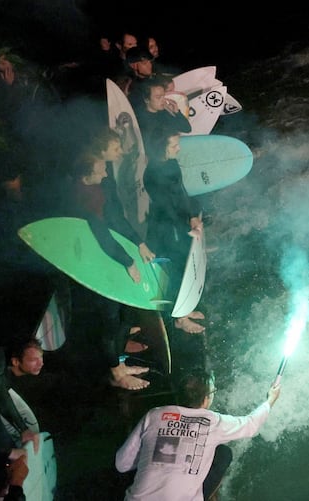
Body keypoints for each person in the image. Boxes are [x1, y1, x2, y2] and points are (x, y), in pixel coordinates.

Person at [115, 370, 281, 501]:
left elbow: (122, 464)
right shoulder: (213, 422)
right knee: (223, 453)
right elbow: (250, 424)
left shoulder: (154, 415)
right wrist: (269, 401)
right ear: (207, 398)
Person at [69, 151, 153, 390]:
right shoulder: (82, 200)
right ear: (85, 178)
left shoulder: (97, 189)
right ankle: (115, 373)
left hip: (110, 256)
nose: (106, 173)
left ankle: (119, 363)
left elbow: (115, 219)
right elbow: (102, 236)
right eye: (100, 170)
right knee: (109, 319)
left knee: (122, 316)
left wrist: (138, 242)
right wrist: (128, 261)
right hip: (94, 262)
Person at [143, 129, 204, 334]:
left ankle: (185, 309)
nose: (179, 148)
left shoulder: (171, 163)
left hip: (179, 221)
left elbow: (181, 192)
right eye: (174, 145)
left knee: (185, 264)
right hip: (166, 227)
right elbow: (168, 207)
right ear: (161, 147)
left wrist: (192, 215)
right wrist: (186, 227)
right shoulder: (153, 174)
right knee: (179, 268)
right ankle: (180, 317)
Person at [133, 78, 191, 142]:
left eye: (163, 96)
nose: (163, 100)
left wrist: (176, 112)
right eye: (158, 97)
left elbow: (187, 128)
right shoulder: (140, 118)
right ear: (146, 99)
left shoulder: (164, 113)